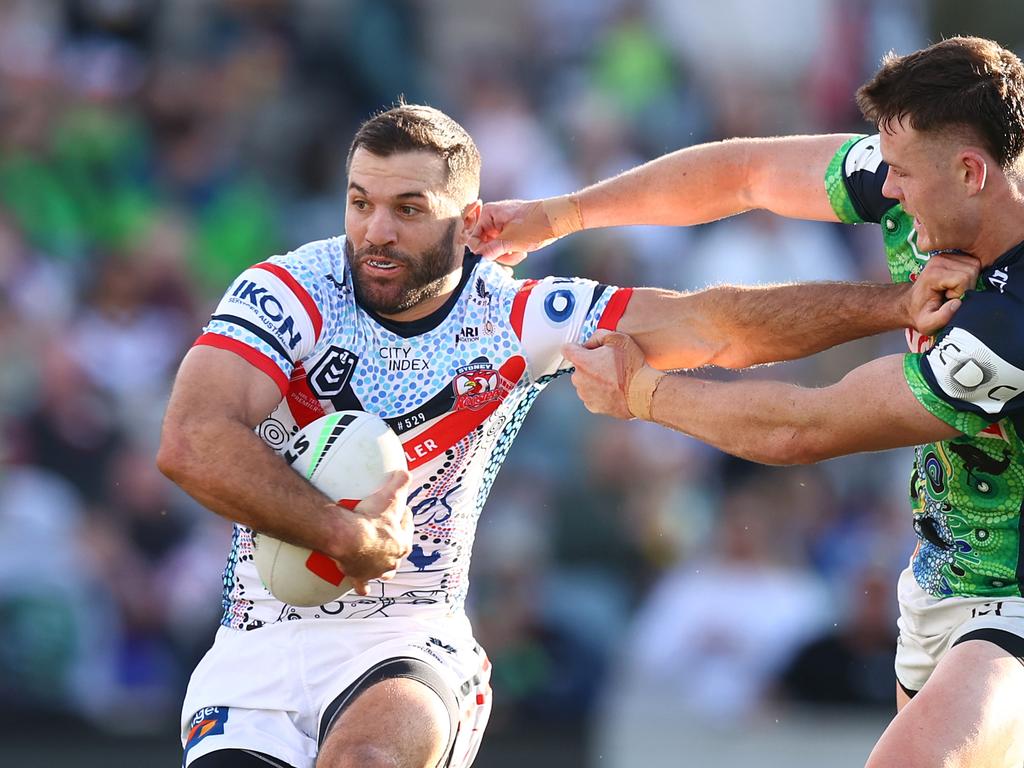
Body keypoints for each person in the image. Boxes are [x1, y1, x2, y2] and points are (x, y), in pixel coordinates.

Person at [157, 103, 970, 768]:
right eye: (360, 201)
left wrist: (892, 305)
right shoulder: (290, 291)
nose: (375, 231)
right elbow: (191, 441)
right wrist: (345, 535)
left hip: (405, 640)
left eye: (408, 209)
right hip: (257, 640)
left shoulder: (515, 317)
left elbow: (712, 326)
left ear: (468, 219)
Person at [470, 36, 1024, 768]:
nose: (885, 188)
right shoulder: (929, 187)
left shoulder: (1010, 324)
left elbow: (807, 429)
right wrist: (562, 215)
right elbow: (746, 173)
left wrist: (644, 393)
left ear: (970, 171)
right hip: (940, 582)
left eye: (902, 175)